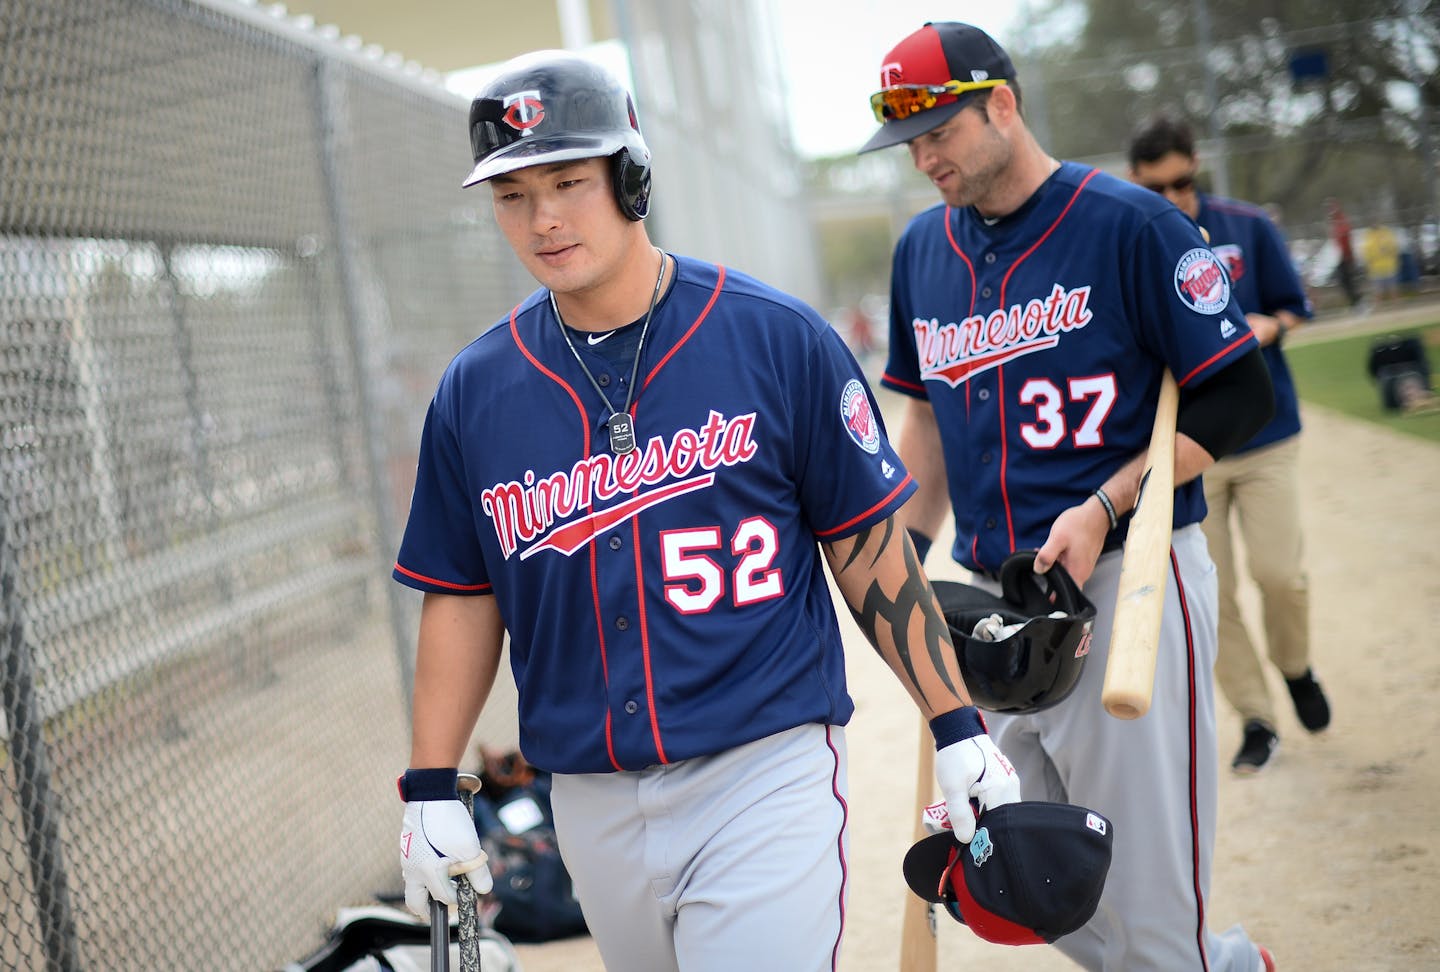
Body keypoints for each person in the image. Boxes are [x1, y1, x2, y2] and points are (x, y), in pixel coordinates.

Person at [390, 50, 1022, 972]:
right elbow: (461, 591)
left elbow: (868, 550)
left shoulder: (773, 338)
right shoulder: (475, 391)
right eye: (513, 194)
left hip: (762, 766)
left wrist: (956, 723)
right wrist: (429, 787)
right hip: (590, 793)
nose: (544, 218)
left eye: (569, 181)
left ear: (631, 177)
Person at [861, 22, 1279, 971]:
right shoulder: (921, 253)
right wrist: (896, 570)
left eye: (939, 132)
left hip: (1127, 585)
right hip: (995, 611)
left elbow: (1236, 391)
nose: (924, 158)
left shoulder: (1131, 223)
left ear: (1002, 104)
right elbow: (922, 430)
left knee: (1151, 901)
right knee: (1025, 880)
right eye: (909, 142)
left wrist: (1106, 504)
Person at [1128, 115, 1331, 776]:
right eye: (1156, 187)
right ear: (1136, 183)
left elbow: (1295, 304)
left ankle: (1295, 667)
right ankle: (1256, 717)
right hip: (1190, 448)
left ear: (1197, 169)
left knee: (1279, 574)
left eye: (1183, 181)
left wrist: (1264, 328)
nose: (1174, 196)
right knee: (1213, 598)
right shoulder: (1131, 242)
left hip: (1267, 434)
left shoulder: (1247, 224)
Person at [1326, 198, 1363, 309]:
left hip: (1346, 257)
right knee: (1344, 281)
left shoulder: (1342, 222)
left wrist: (1349, 256)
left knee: (1349, 281)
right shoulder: (1335, 224)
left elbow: (1347, 241)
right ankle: (1355, 303)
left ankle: (1358, 303)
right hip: (1341, 257)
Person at [1361, 223, 1401, 304]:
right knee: (1378, 290)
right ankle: (1380, 307)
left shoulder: (1386, 235)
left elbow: (1394, 249)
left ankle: (1396, 305)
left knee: (1392, 288)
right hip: (1377, 268)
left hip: (1388, 266)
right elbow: (1367, 254)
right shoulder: (1369, 237)